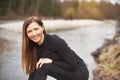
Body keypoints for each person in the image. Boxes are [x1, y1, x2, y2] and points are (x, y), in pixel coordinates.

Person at [22, 16, 89, 80]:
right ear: (26, 34)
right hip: (66, 72)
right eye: (29, 31)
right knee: (41, 66)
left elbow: (72, 66)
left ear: (42, 28)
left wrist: (51, 61)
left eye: (36, 29)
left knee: (44, 67)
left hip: (79, 72)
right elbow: (34, 72)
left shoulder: (55, 41)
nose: (34, 33)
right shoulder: (33, 47)